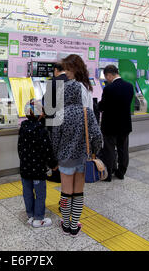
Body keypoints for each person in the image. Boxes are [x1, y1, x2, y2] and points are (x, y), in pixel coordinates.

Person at [51, 77, 102, 237]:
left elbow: (54, 140)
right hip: (82, 159)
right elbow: (98, 136)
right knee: (78, 193)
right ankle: (74, 226)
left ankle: (65, 225)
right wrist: (95, 151)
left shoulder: (59, 114)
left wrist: (54, 158)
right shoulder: (88, 112)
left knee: (65, 193)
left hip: (65, 160)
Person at [18, 99, 57, 228]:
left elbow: (19, 148)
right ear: (41, 114)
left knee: (27, 192)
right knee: (40, 194)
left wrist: (23, 162)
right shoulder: (41, 130)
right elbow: (47, 150)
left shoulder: (22, 128)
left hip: (25, 169)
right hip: (38, 169)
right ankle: (38, 218)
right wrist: (53, 164)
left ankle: (30, 215)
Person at [98, 65, 134, 182]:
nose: (106, 79)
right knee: (123, 149)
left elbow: (102, 106)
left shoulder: (109, 88)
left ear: (109, 75)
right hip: (124, 125)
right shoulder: (129, 86)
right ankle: (121, 172)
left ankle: (108, 174)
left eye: (106, 77)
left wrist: (97, 105)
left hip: (110, 125)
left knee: (109, 149)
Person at [44, 63, 67, 183]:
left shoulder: (53, 82)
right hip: (68, 120)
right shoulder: (71, 81)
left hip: (54, 119)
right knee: (64, 147)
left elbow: (47, 103)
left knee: (54, 147)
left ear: (56, 70)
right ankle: (66, 173)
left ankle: (56, 174)